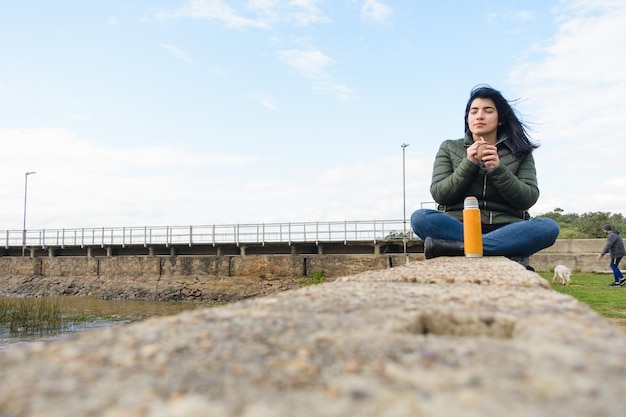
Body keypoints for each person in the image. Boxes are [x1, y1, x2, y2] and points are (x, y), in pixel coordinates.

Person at [410, 85, 560, 270]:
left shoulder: (520, 152)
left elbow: (527, 198)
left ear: (500, 119)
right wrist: (468, 164)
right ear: (468, 118)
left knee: (549, 227)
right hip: (459, 226)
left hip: (507, 228)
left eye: (488, 111)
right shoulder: (449, 147)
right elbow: (440, 194)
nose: (479, 116)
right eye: (474, 111)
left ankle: (459, 248)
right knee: (420, 217)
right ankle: (498, 250)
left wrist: (498, 169)